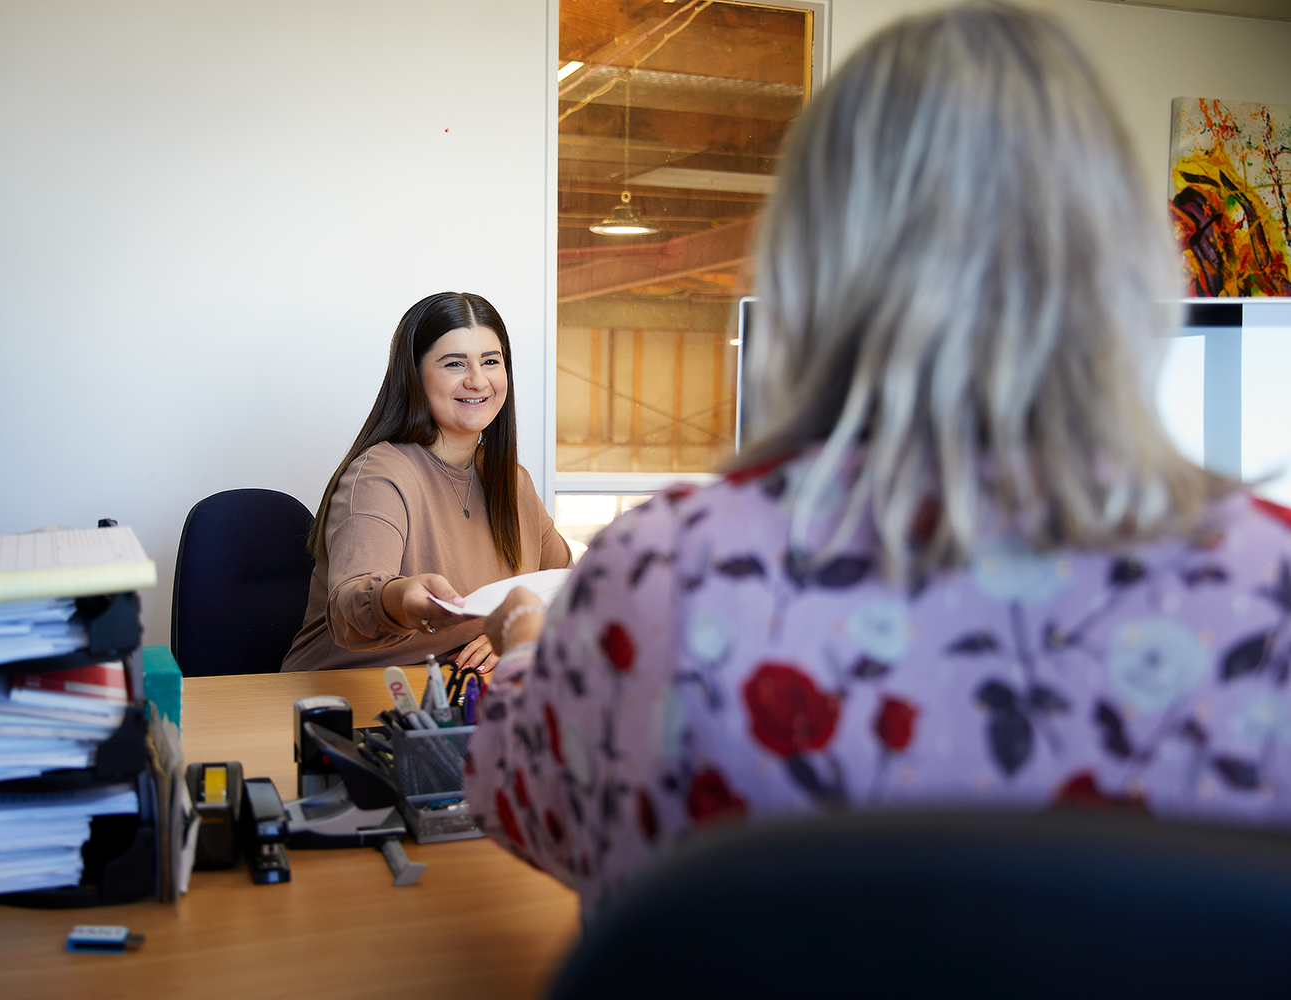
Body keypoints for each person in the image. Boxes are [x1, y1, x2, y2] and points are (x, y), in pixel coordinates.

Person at [465, 1, 1291, 915]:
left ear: (811, 260)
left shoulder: (667, 573)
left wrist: (526, 645)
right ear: (1126, 260)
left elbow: (514, 796)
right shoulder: (1274, 589)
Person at [283, 292, 571, 672]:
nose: (477, 380)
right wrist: (399, 599)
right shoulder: (379, 474)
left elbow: (570, 590)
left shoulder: (512, 481)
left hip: (452, 691)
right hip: (350, 696)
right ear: (415, 376)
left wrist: (522, 632)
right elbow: (350, 604)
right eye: (455, 363)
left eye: (490, 361)